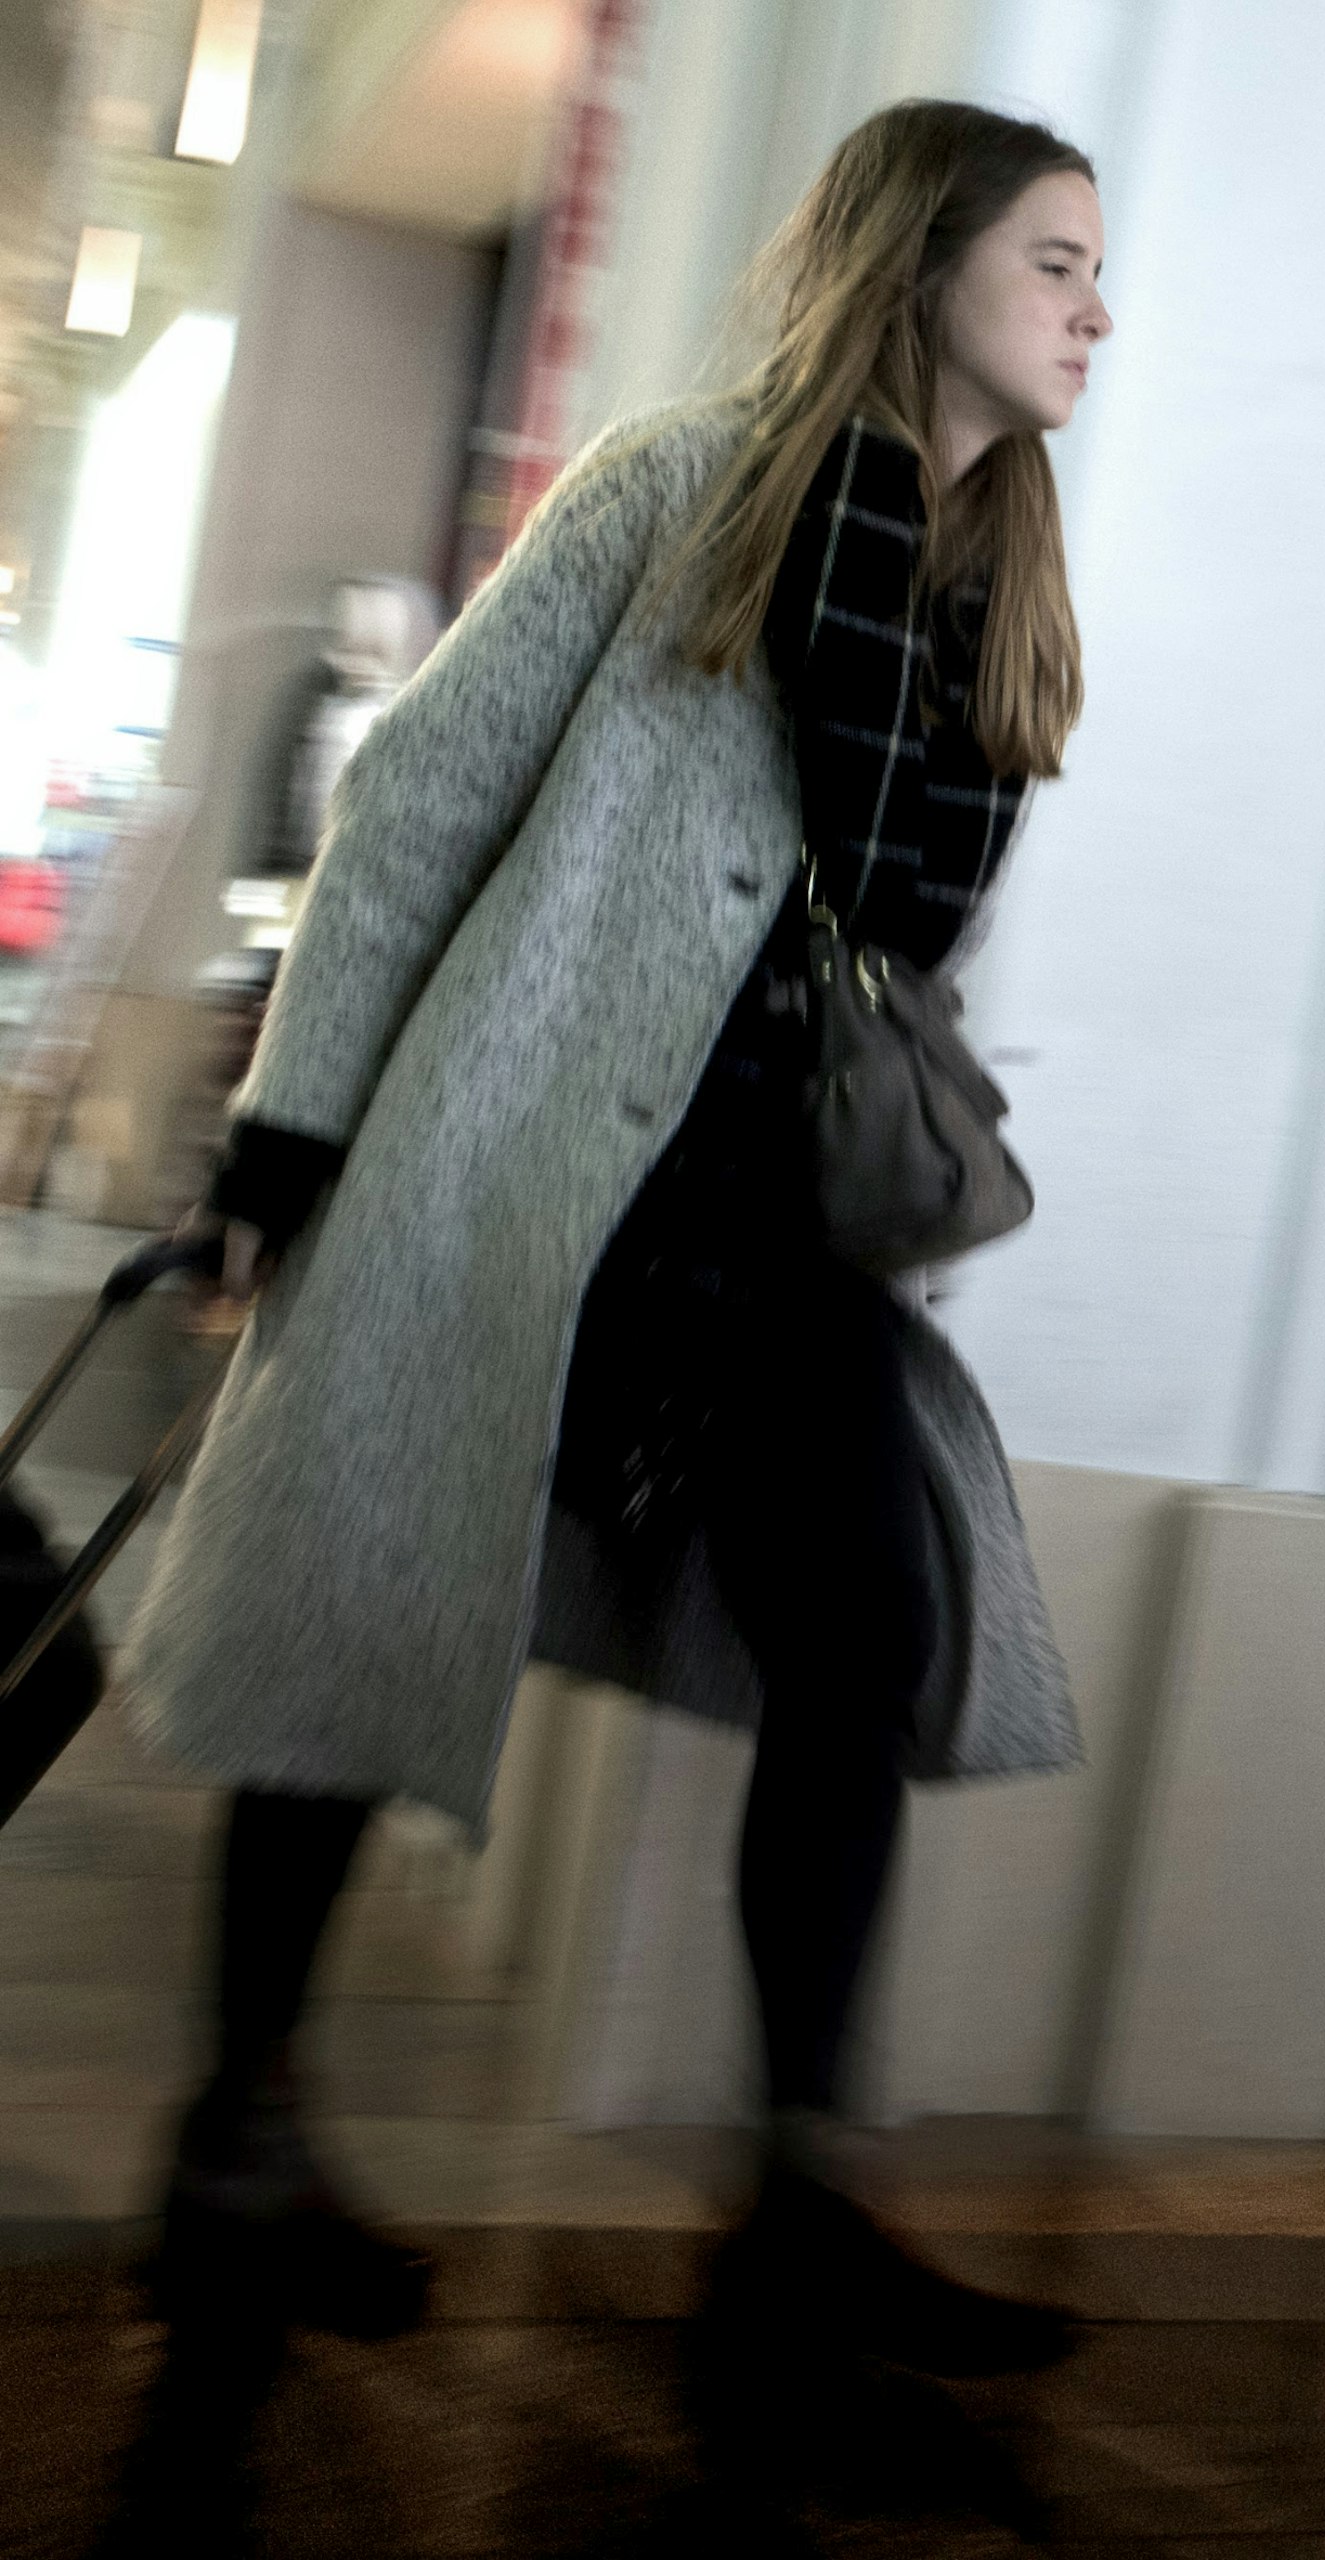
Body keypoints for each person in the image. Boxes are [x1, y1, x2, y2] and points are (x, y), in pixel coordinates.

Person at [118, 101, 1112, 2388]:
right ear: (919, 259)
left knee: (868, 1612)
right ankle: (239, 2137)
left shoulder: (996, 595)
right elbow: (415, 796)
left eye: (1094, 271)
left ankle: (799, 2197)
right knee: (363, 1609)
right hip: (522, 1165)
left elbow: (885, 948)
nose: (1094, 309)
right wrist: (294, 1125)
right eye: (1053, 259)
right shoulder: (683, 487)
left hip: (776, 1234)